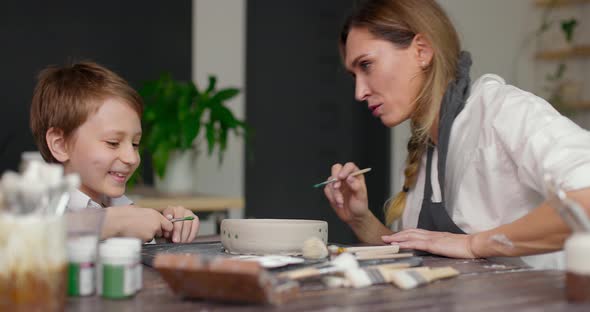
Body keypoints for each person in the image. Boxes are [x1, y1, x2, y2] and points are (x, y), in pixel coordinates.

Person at [323, 0, 590, 269]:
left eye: (366, 65)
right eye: (353, 75)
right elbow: (421, 256)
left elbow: (586, 200)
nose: (359, 92)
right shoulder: (424, 151)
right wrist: (360, 220)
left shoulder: (504, 112)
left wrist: (474, 244)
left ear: (421, 51)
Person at [30, 61, 200, 243]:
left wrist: (170, 224)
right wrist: (113, 222)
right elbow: (38, 232)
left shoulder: (121, 206)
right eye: (113, 143)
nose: (132, 158)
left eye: (135, 144)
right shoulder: (38, 208)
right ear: (60, 145)